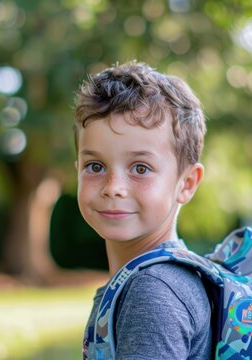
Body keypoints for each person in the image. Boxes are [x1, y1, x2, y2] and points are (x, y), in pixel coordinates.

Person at [74, 61, 213, 359]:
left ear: (186, 183)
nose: (113, 187)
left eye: (140, 168)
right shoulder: (171, 280)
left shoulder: (152, 293)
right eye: (94, 166)